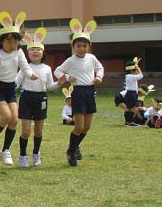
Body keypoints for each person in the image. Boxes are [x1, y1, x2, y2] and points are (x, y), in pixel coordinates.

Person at [0, 11, 37, 166]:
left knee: (14, 120)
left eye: (15, 42)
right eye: (9, 42)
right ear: (2, 41)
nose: (12, 45)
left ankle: (5, 150)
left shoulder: (19, 52)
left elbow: (25, 68)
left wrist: (31, 74)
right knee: (5, 116)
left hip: (10, 88)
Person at [54, 18, 104, 167]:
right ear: (73, 46)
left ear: (89, 46)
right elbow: (57, 71)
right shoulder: (70, 60)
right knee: (79, 127)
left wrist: (99, 77)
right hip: (78, 93)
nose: (81, 48)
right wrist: (68, 77)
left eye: (84, 46)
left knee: (87, 127)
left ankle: (74, 147)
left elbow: (100, 68)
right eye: (78, 46)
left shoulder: (92, 58)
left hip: (90, 92)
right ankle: (71, 151)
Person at [16, 27, 65, 168]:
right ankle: (23, 155)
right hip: (26, 98)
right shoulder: (25, 67)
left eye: (38, 49)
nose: (35, 52)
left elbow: (49, 86)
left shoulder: (47, 68)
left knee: (38, 131)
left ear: (43, 52)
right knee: (25, 132)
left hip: (41, 99)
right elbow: (17, 83)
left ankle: (36, 154)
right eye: (32, 50)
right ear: (28, 53)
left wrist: (59, 83)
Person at [114, 58, 144, 126]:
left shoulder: (129, 76)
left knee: (130, 108)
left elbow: (136, 74)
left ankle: (128, 122)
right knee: (132, 109)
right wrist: (138, 68)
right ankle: (129, 122)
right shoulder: (130, 77)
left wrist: (135, 66)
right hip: (131, 93)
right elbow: (141, 76)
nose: (136, 70)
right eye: (134, 69)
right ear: (131, 70)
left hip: (131, 93)